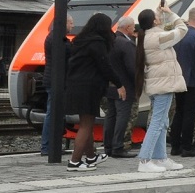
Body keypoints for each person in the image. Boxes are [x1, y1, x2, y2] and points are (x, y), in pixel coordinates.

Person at [135, 5, 189, 174]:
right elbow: (182, 29)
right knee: (158, 122)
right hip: (164, 83)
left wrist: (159, 13)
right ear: (154, 22)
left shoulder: (145, 37)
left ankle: (160, 158)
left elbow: (157, 26)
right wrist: (171, 13)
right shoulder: (158, 38)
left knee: (162, 121)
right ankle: (145, 160)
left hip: (156, 82)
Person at [63, 13, 121, 171]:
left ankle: (90, 157)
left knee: (85, 123)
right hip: (89, 87)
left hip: (76, 85)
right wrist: (119, 83)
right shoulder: (97, 43)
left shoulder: (80, 41)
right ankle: (74, 162)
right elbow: (104, 66)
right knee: (86, 125)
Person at [169, 8, 195, 158]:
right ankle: (187, 146)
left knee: (179, 112)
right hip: (193, 81)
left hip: (179, 79)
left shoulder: (178, 35)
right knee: (190, 114)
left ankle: (175, 146)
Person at [102, 15, 138, 157]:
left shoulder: (110, 42)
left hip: (110, 86)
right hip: (125, 86)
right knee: (122, 116)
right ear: (128, 27)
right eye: (133, 26)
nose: (134, 28)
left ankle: (108, 146)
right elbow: (132, 68)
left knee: (110, 116)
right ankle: (118, 147)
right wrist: (138, 84)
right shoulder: (126, 44)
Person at [39, 15, 74, 157]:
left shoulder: (53, 36)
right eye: (71, 23)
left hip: (53, 79)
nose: (72, 26)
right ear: (64, 23)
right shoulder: (57, 38)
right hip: (56, 81)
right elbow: (68, 54)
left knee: (54, 114)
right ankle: (48, 146)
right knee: (53, 114)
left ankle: (51, 145)